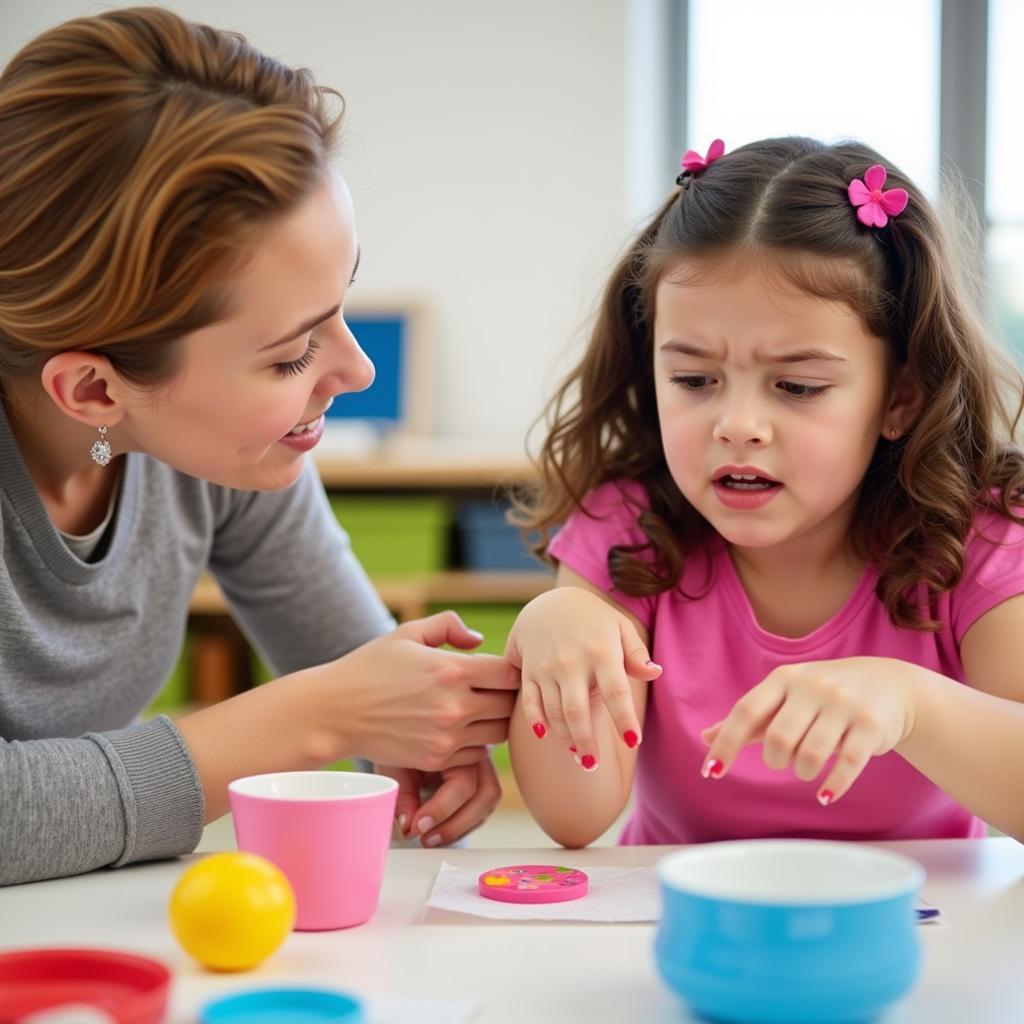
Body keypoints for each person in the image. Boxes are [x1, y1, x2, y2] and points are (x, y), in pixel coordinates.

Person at [0, 6, 519, 886]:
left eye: (342, 303)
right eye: (291, 355)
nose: (357, 373)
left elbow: (364, 680)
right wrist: (316, 718)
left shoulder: (226, 456)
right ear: (93, 390)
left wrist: (419, 735)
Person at [505, 135, 1024, 849]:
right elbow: (575, 815)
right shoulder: (628, 525)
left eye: (797, 387)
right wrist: (553, 626)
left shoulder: (979, 539)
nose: (738, 426)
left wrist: (915, 704)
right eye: (693, 381)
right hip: (691, 929)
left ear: (900, 396)